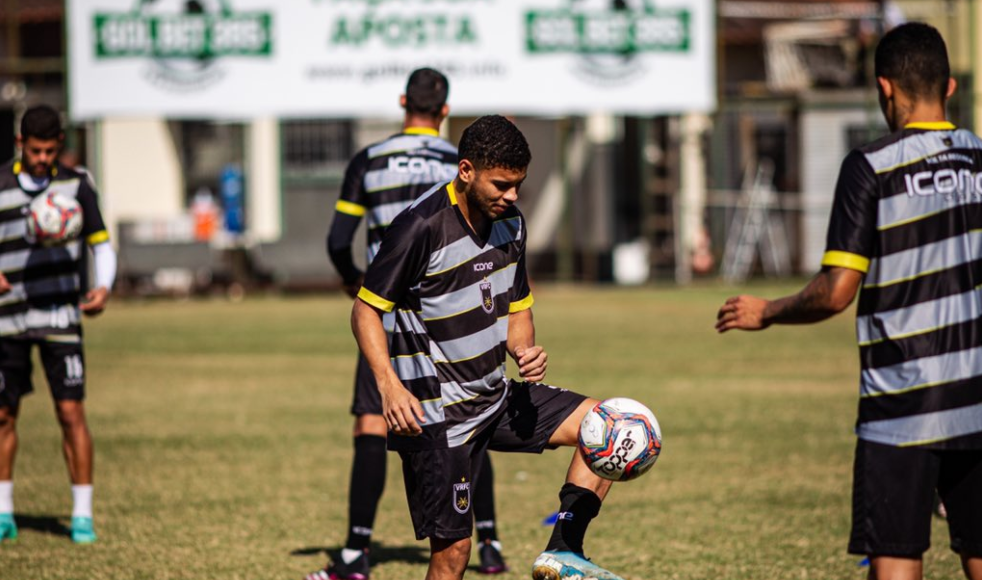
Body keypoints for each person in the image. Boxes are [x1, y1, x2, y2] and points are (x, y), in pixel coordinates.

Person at [715, 23, 982, 580]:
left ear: (885, 89)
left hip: (903, 405)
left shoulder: (873, 167)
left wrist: (767, 311)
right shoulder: (980, 159)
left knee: (897, 559)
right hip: (978, 395)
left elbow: (836, 292)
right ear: (950, 87)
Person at [352, 114, 629, 580]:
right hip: (436, 416)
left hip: (494, 396)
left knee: (609, 425)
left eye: (518, 185)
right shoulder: (420, 227)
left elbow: (517, 306)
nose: (512, 196)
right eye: (501, 184)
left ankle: (564, 549)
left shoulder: (511, 223)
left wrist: (525, 351)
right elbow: (365, 310)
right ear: (466, 171)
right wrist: (388, 386)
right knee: (455, 552)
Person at [311, 69, 507, 580]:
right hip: (453, 311)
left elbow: (337, 238)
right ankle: (489, 541)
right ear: (444, 110)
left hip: (386, 314)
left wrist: (359, 284)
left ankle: (356, 552)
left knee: (372, 422)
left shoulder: (369, 159)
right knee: (471, 419)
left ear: (403, 103)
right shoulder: (460, 162)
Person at [0, 105, 117, 544]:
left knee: (70, 412)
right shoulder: (0, 184)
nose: (43, 158)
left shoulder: (77, 184)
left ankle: (82, 515)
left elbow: (101, 244)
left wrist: (103, 288)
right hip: (7, 318)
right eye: (35, 151)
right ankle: (3, 510)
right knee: (4, 415)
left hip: (61, 316)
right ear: (19, 145)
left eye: (51, 150)